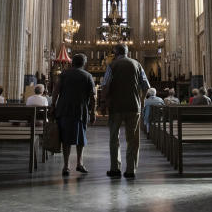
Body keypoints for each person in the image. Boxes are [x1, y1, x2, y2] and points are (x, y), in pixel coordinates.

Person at [102, 44, 149, 179]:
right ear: (128, 53)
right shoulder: (137, 64)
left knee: (114, 138)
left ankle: (115, 168)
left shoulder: (112, 65)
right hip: (134, 106)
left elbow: (105, 85)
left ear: (115, 53)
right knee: (133, 139)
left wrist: (104, 103)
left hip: (116, 107)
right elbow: (145, 86)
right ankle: (130, 170)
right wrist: (142, 100)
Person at [53, 53, 96, 177]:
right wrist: (93, 112)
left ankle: (66, 166)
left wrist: (53, 106)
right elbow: (93, 97)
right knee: (81, 138)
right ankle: (79, 163)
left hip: (64, 109)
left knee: (65, 139)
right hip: (80, 110)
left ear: (72, 62)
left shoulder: (64, 74)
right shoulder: (88, 76)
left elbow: (56, 90)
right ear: (84, 63)